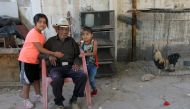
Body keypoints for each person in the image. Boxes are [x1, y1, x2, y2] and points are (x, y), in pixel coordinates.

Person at [18, 13, 64, 109]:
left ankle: (38, 95)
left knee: (36, 79)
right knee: (27, 82)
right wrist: (53, 54)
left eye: (44, 22)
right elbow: (40, 49)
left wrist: (49, 54)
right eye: (40, 22)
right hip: (26, 60)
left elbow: (44, 48)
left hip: (35, 61)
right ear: (35, 22)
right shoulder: (33, 33)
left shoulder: (41, 35)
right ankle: (26, 100)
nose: (42, 24)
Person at [44, 18, 87, 109]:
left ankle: (74, 99)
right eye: (62, 29)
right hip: (55, 67)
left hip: (69, 67)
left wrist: (76, 63)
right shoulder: (51, 41)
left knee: (82, 76)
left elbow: (77, 55)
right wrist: (49, 56)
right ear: (57, 29)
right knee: (56, 78)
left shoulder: (71, 41)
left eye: (66, 29)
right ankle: (59, 103)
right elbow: (40, 53)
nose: (64, 31)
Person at [80, 26, 98, 96]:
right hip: (84, 65)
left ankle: (94, 89)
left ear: (92, 35)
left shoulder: (94, 42)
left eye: (87, 34)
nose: (85, 36)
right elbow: (80, 51)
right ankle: (86, 91)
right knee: (84, 79)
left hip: (93, 65)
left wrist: (84, 54)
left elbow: (94, 53)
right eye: (83, 34)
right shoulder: (82, 43)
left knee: (91, 79)